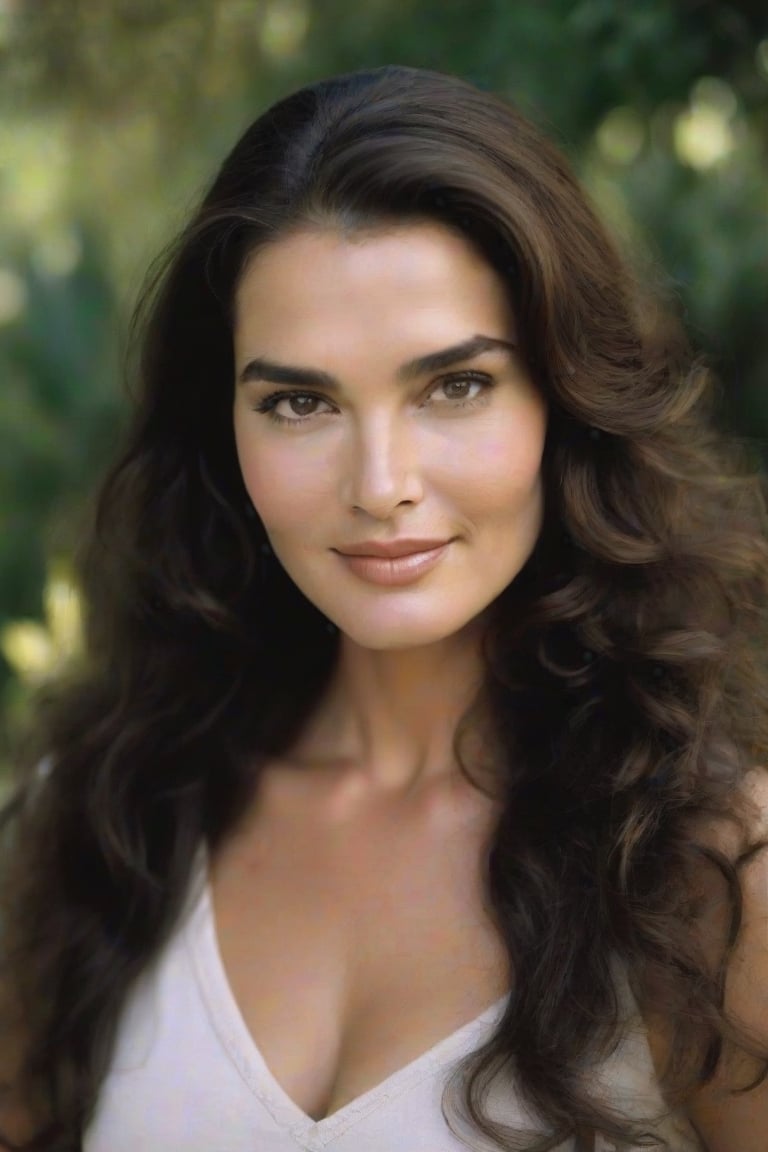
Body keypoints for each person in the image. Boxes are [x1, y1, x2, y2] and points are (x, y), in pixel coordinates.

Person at [1, 63, 767, 1152]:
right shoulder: (103, 819)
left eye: (454, 386)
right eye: (300, 402)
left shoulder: (709, 872)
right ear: (224, 431)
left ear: (566, 397)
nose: (379, 482)